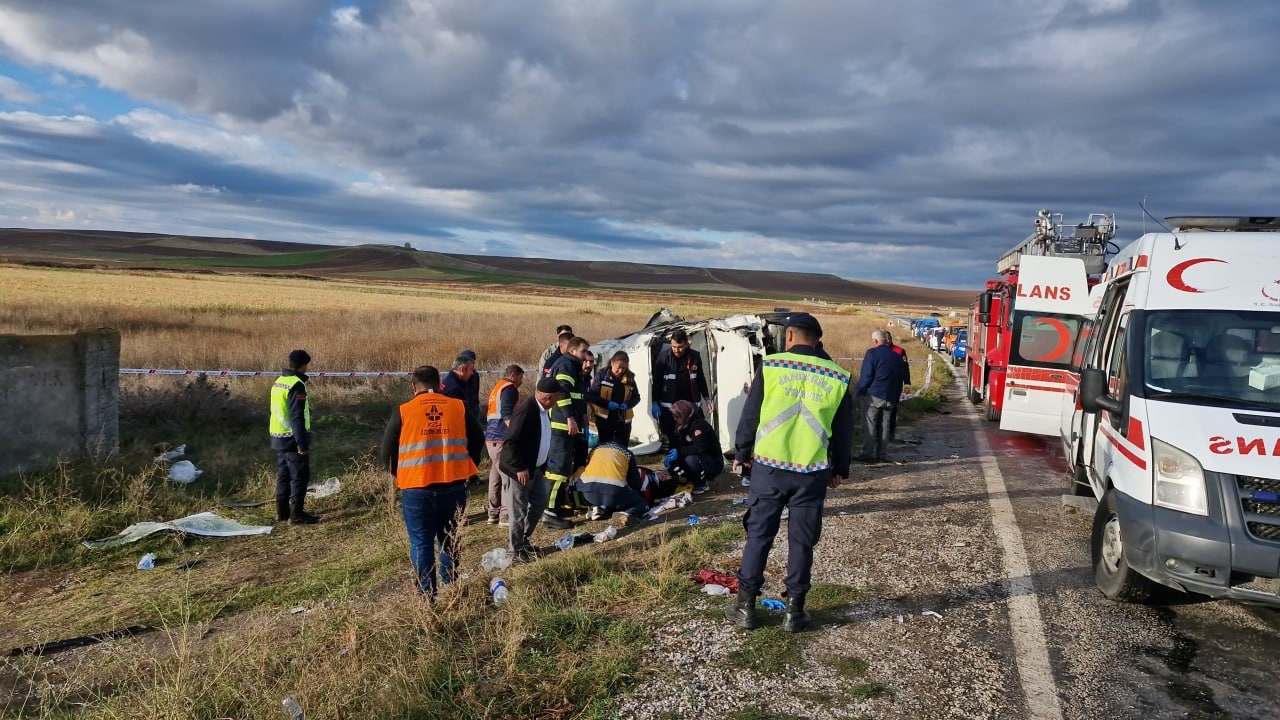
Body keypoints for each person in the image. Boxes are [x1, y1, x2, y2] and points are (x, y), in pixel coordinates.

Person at [726, 313, 852, 633]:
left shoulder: (771, 366)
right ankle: (794, 613)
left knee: (759, 537)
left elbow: (750, 414)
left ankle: (745, 608)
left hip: (768, 468)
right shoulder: (838, 376)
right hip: (811, 472)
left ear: (791, 335)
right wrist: (840, 469)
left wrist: (742, 453)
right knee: (801, 543)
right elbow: (844, 430)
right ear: (817, 339)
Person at [378, 365, 483, 597]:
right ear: (440, 385)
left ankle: (427, 596)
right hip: (453, 486)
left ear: (414, 387)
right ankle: (452, 587)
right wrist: (467, 466)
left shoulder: (403, 411)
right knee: (450, 540)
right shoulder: (459, 407)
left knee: (421, 543)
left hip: (416, 489)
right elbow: (478, 438)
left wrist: (400, 473)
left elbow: (386, 453)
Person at [499, 377, 564, 561]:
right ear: (548, 398)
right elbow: (511, 442)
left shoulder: (542, 410)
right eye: (557, 398)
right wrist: (519, 468)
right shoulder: (527, 410)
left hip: (535, 469)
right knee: (518, 511)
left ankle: (524, 538)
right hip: (519, 471)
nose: (558, 401)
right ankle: (516, 550)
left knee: (540, 502)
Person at [544, 336, 590, 528]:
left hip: (566, 425)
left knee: (562, 469)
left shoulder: (571, 366)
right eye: (583, 351)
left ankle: (555, 507)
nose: (585, 355)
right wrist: (570, 418)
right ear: (572, 351)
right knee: (557, 470)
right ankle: (549, 513)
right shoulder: (566, 366)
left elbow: (576, 395)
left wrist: (581, 415)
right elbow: (562, 392)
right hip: (561, 425)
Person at [269, 349, 319, 525]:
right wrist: (302, 443)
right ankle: (296, 515)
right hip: (292, 437)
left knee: (283, 475)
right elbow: (297, 416)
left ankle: (281, 512)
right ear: (303, 365)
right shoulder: (297, 384)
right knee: (299, 476)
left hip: (278, 436)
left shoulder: (279, 381)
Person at [652, 329, 713, 453]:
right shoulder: (664, 357)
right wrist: (654, 401)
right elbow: (657, 381)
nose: (676, 350)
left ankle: (691, 457)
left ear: (686, 344)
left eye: (680, 347)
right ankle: (673, 458)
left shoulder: (695, 356)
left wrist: (707, 399)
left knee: (693, 434)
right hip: (669, 406)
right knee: (671, 435)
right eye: (674, 346)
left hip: (690, 405)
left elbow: (700, 378)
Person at [855, 330, 905, 463]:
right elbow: (900, 379)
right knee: (885, 426)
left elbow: (866, 376)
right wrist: (897, 396)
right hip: (890, 397)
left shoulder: (872, 354)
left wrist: (858, 391)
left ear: (875, 341)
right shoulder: (897, 357)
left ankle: (868, 454)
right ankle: (882, 454)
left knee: (870, 424)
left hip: (873, 396)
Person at [574, 440, 650, 525]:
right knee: (642, 503)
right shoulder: (626, 452)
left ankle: (596, 507)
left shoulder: (594, 450)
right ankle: (627, 514)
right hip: (614, 493)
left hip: (588, 494)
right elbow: (635, 483)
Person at [484, 364, 524, 525]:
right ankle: (506, 515)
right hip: (501, 437)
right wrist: (515, 433)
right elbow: (507, 413)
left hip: (491, 438)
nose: (521, 381)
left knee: (495, 476)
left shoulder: (497, 388)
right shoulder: (510, 389)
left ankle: (493, 513)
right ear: (514, 375)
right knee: (508, 476)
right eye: (521, 378)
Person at [664, 399, 723, 494]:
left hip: (713, 461)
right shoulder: (680, 425)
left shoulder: (699, 426)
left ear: (684, 415)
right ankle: (687, 478)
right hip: (696, 455)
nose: (674, 419)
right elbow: (676, 444)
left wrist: (679, 452)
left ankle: (702, 483)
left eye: (677, 416)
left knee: (691, 459)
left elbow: (700, 447)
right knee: (675, 461)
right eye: (674, 416)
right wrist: (671, 454)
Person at [586, 351, 641, 446]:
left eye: (624, 368)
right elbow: (592, 396)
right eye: (618, 367)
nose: (621, 371)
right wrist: (607, 404)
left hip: (623, 422)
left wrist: (628, 404)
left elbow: (636, 397)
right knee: (606, 448)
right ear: (612, 363)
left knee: (622, 448)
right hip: (604, 422)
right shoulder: (602, 375)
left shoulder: (630, 378)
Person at [442, 353, 485, 470]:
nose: (472, 373)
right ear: (462, 369)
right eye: (471, 370)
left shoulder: (453, 382)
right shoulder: (454, 389)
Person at [883, 331, 911, 442]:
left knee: (892, 409)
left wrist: (907, 383)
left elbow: (905, 368)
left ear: (891, 338)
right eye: (886, 339)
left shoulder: (899, 351)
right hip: (880, 386)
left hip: (895, 385)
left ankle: (890, 433)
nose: (888, 341)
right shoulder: (876, 351)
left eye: (889, 339)